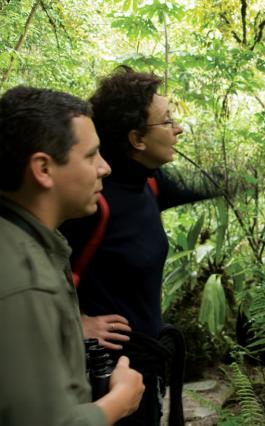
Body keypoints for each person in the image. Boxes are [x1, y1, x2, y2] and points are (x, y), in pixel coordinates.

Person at [59, 66, 227, 425]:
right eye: (168, 122)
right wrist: (77, 322)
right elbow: (37, 275)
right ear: (137, 139)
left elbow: (208, 184)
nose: (178, 128)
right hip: (104, 377)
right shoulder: (92, 203)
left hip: (145, 369)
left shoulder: (150, 184)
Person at [0, 86, 145, 425]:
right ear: (43, 169)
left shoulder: (29, 244)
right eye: (92, 155)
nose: (105, 168)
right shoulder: (26, 282)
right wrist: (119, 401)